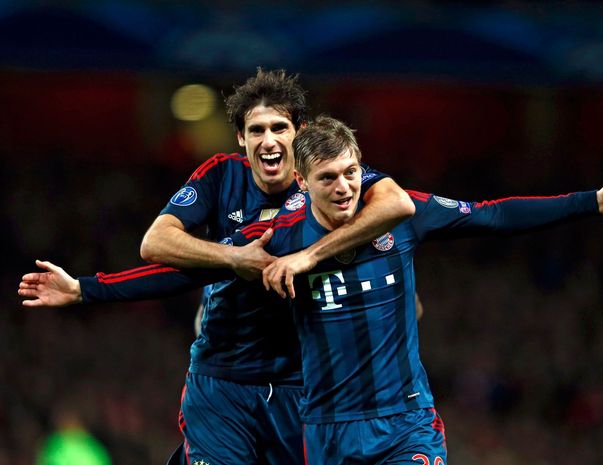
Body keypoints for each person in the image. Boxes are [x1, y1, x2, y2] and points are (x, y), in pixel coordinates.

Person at [22, 116, 603, 464]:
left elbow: (494, 214)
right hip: (324, 430)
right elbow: (183, 271)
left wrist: (591, 201)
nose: (345, 187)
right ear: (302, 181)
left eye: (354, 172)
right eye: (329, 177)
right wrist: (86, 289)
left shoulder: (404, 211)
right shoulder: (272, 239)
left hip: (405, 422)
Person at [19, 70, 415, 465]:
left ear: (301, 131)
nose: (269, 140)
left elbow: (395, 203)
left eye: (279, 127)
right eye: (256, 130)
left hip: (303, 384)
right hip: (223, 377)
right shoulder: (221, 174)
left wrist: (321, 259)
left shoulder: (327, 180)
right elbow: (155, 243)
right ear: (241, 137)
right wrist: (235, 258)